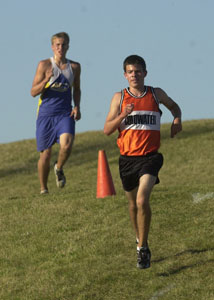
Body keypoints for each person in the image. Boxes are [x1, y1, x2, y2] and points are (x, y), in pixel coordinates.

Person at [104, 55, 182, 269]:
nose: (134, 75)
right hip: (127, 160)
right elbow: (107, 129)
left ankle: (143, 248)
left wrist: (176, 119)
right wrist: (122, 115)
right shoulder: (119, 98)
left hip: (150, 158)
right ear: (125, 75)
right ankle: (139, 240)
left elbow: (174, 106)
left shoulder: (156, 94)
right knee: (132, 205)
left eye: (138, 71)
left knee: (141, 200)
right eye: (130, 72)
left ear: (145, 73)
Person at [31, 32, 81, 194]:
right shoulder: (44, 65)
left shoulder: (74, 67)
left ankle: (59, 168)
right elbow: (33, 92)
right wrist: (45, 80)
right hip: (45, 114)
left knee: (66, 145)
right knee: (45, 155)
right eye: (57, 45)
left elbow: (77, 89)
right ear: (52, 47)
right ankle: (43, 188)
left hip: (64, 113)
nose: (60, 47)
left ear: (68, 46)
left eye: (64, 44)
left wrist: (77, 106)